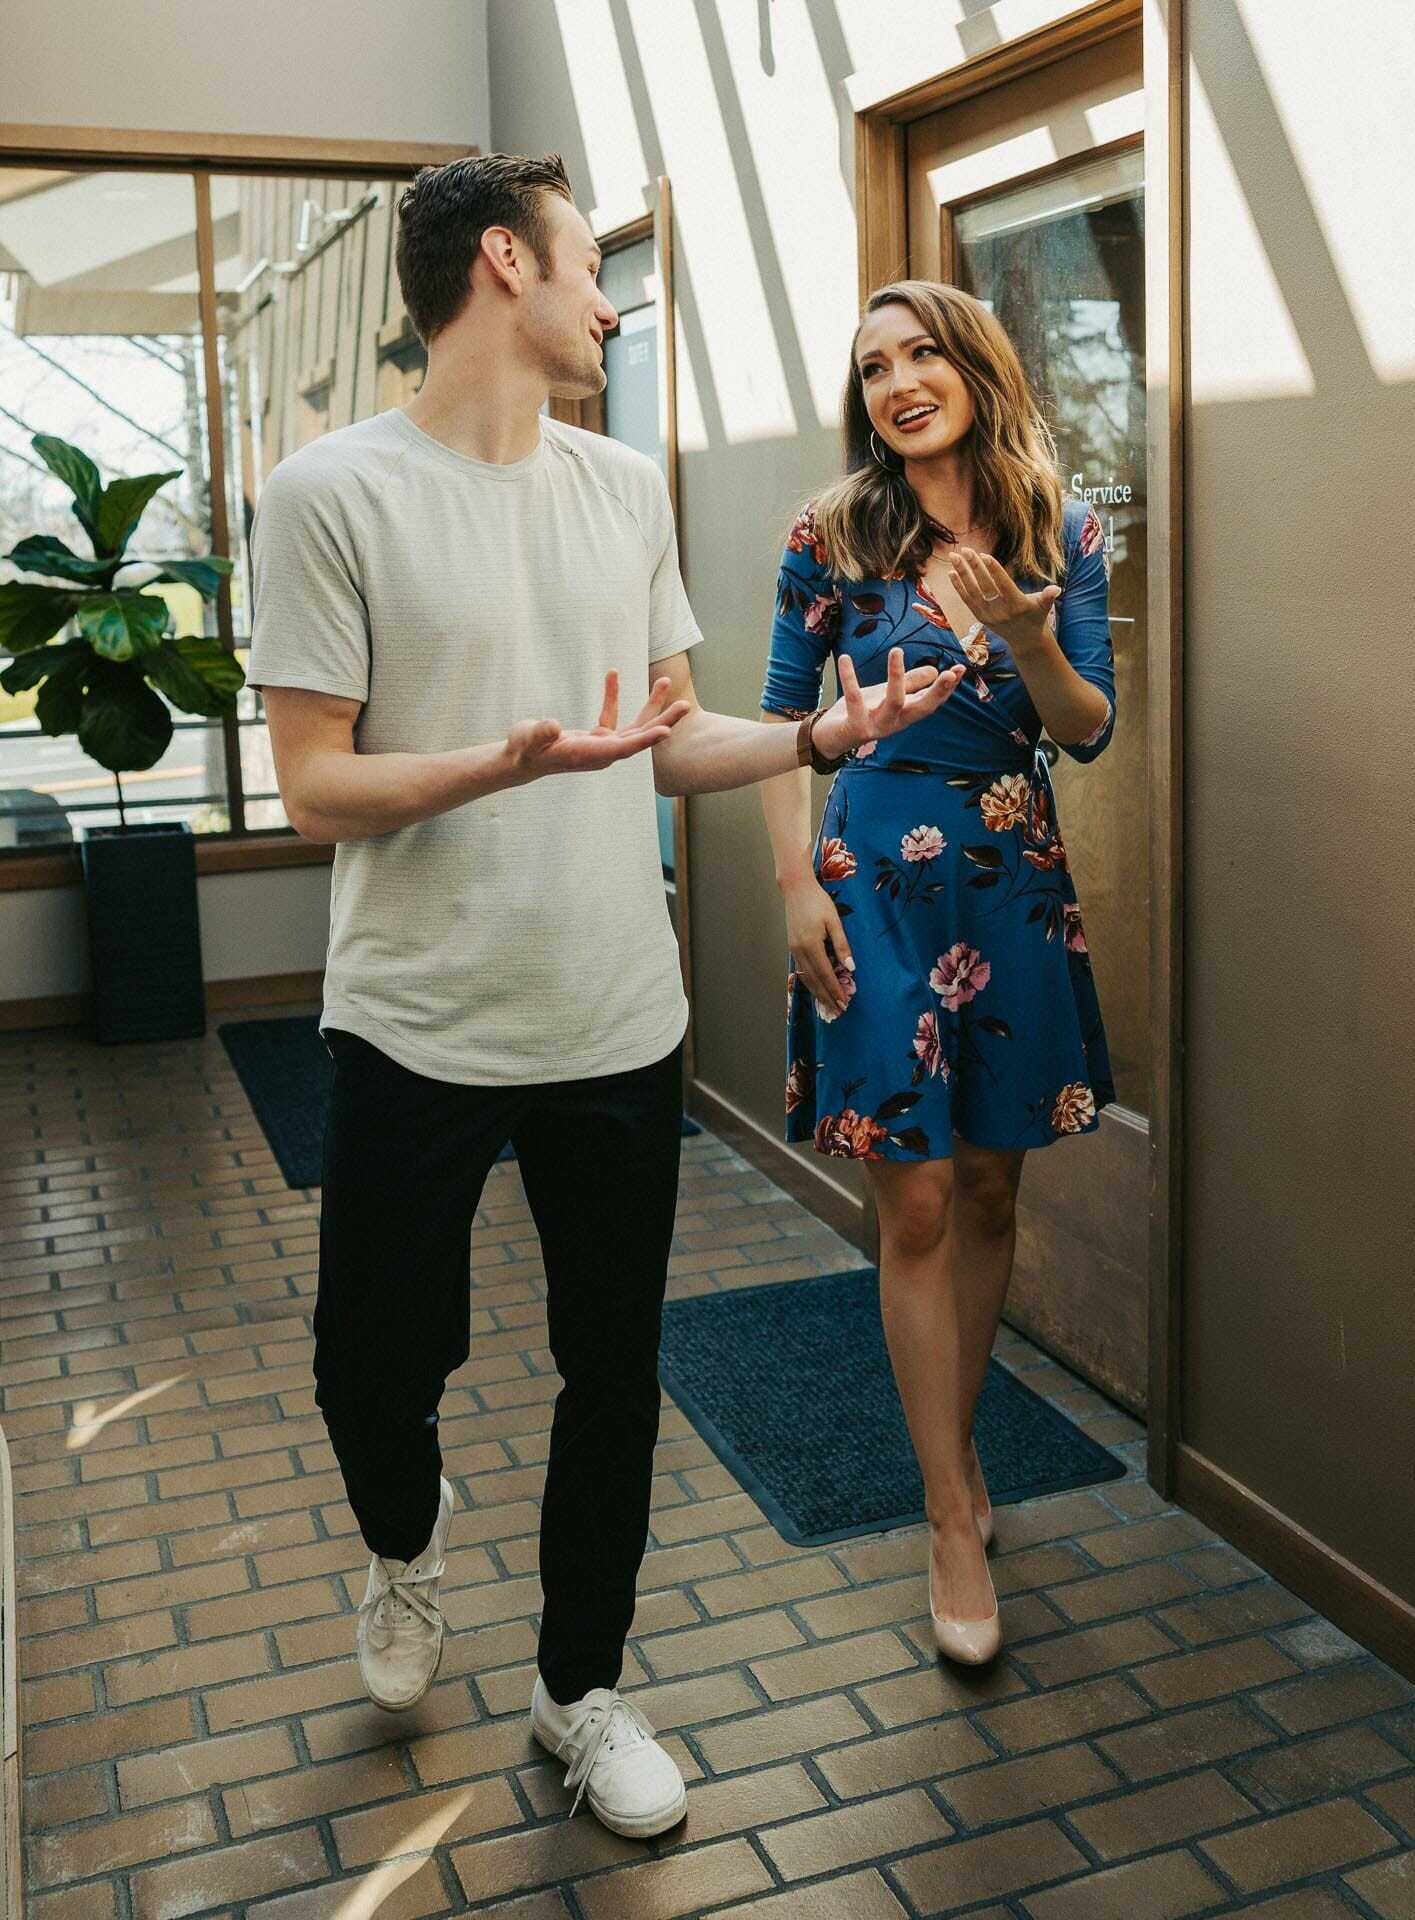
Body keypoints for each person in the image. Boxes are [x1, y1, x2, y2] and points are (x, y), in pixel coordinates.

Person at [246, 156, 962, 1839]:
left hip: (615, 1022)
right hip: (415, 1023)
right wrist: (491, 766)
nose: (610, 307)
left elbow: (668, 734)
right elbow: (315, 788)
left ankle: (579, 1690)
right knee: (371, 1370)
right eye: (589, 269)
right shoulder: (329, 495)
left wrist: (815, 735)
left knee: (614, 1375)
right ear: (506, 264)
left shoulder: (624, 487)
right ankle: (405, 1546)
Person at [757, 280, 1116, 1667]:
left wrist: (1025, 631)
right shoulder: (833, 532)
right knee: (911, 1199)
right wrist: (794, 884)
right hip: (869, 884)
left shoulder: (1058, 527)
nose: (898, 384)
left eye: (920, 356)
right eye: (873, 368)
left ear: (973, 366)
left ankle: (954, 1453)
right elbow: (779, 719)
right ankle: (951, 1513)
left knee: (989, 1187)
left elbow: (1084, 726)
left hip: (1008, 874)